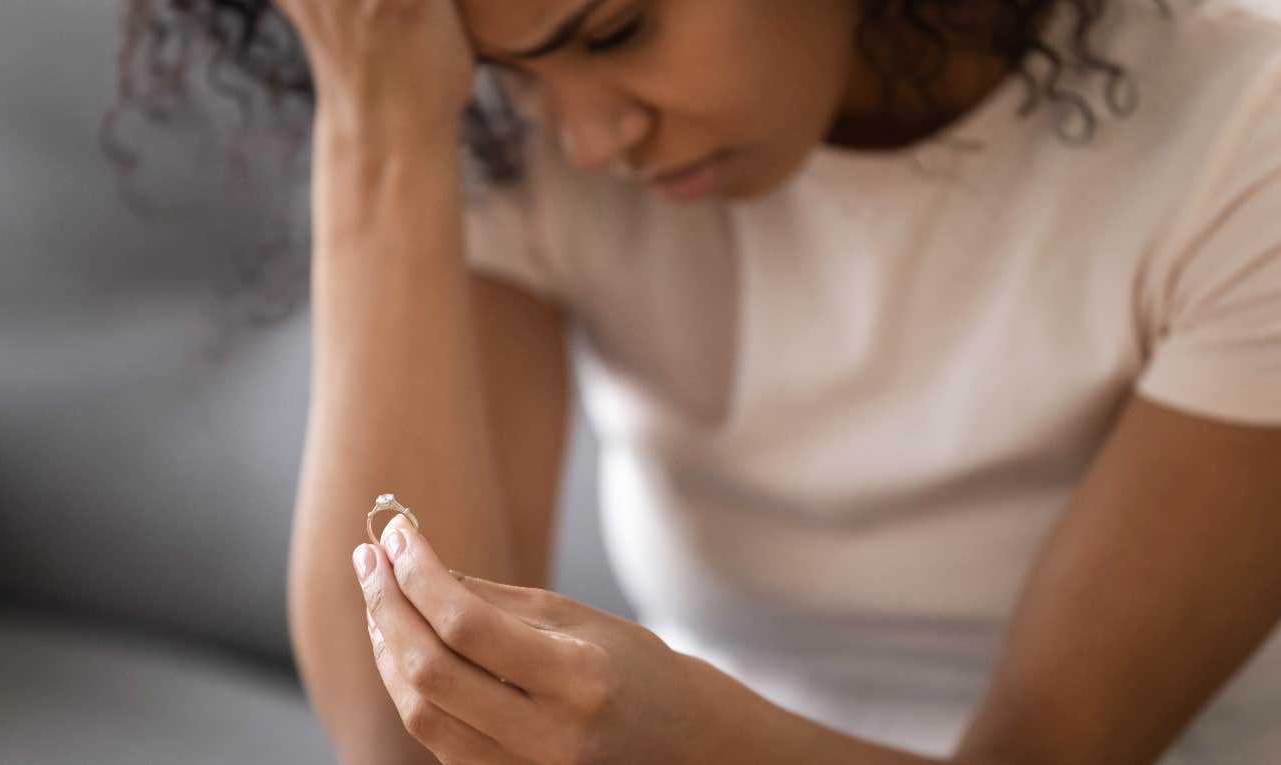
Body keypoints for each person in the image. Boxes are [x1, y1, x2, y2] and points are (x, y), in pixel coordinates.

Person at [117, 0, 1281, 762]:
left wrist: (692, 740)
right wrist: (379, 121)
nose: (588, 140)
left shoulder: (1245, 131)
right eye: (507, 70)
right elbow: (400, 736)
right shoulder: (505, 134)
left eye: (619, 30)